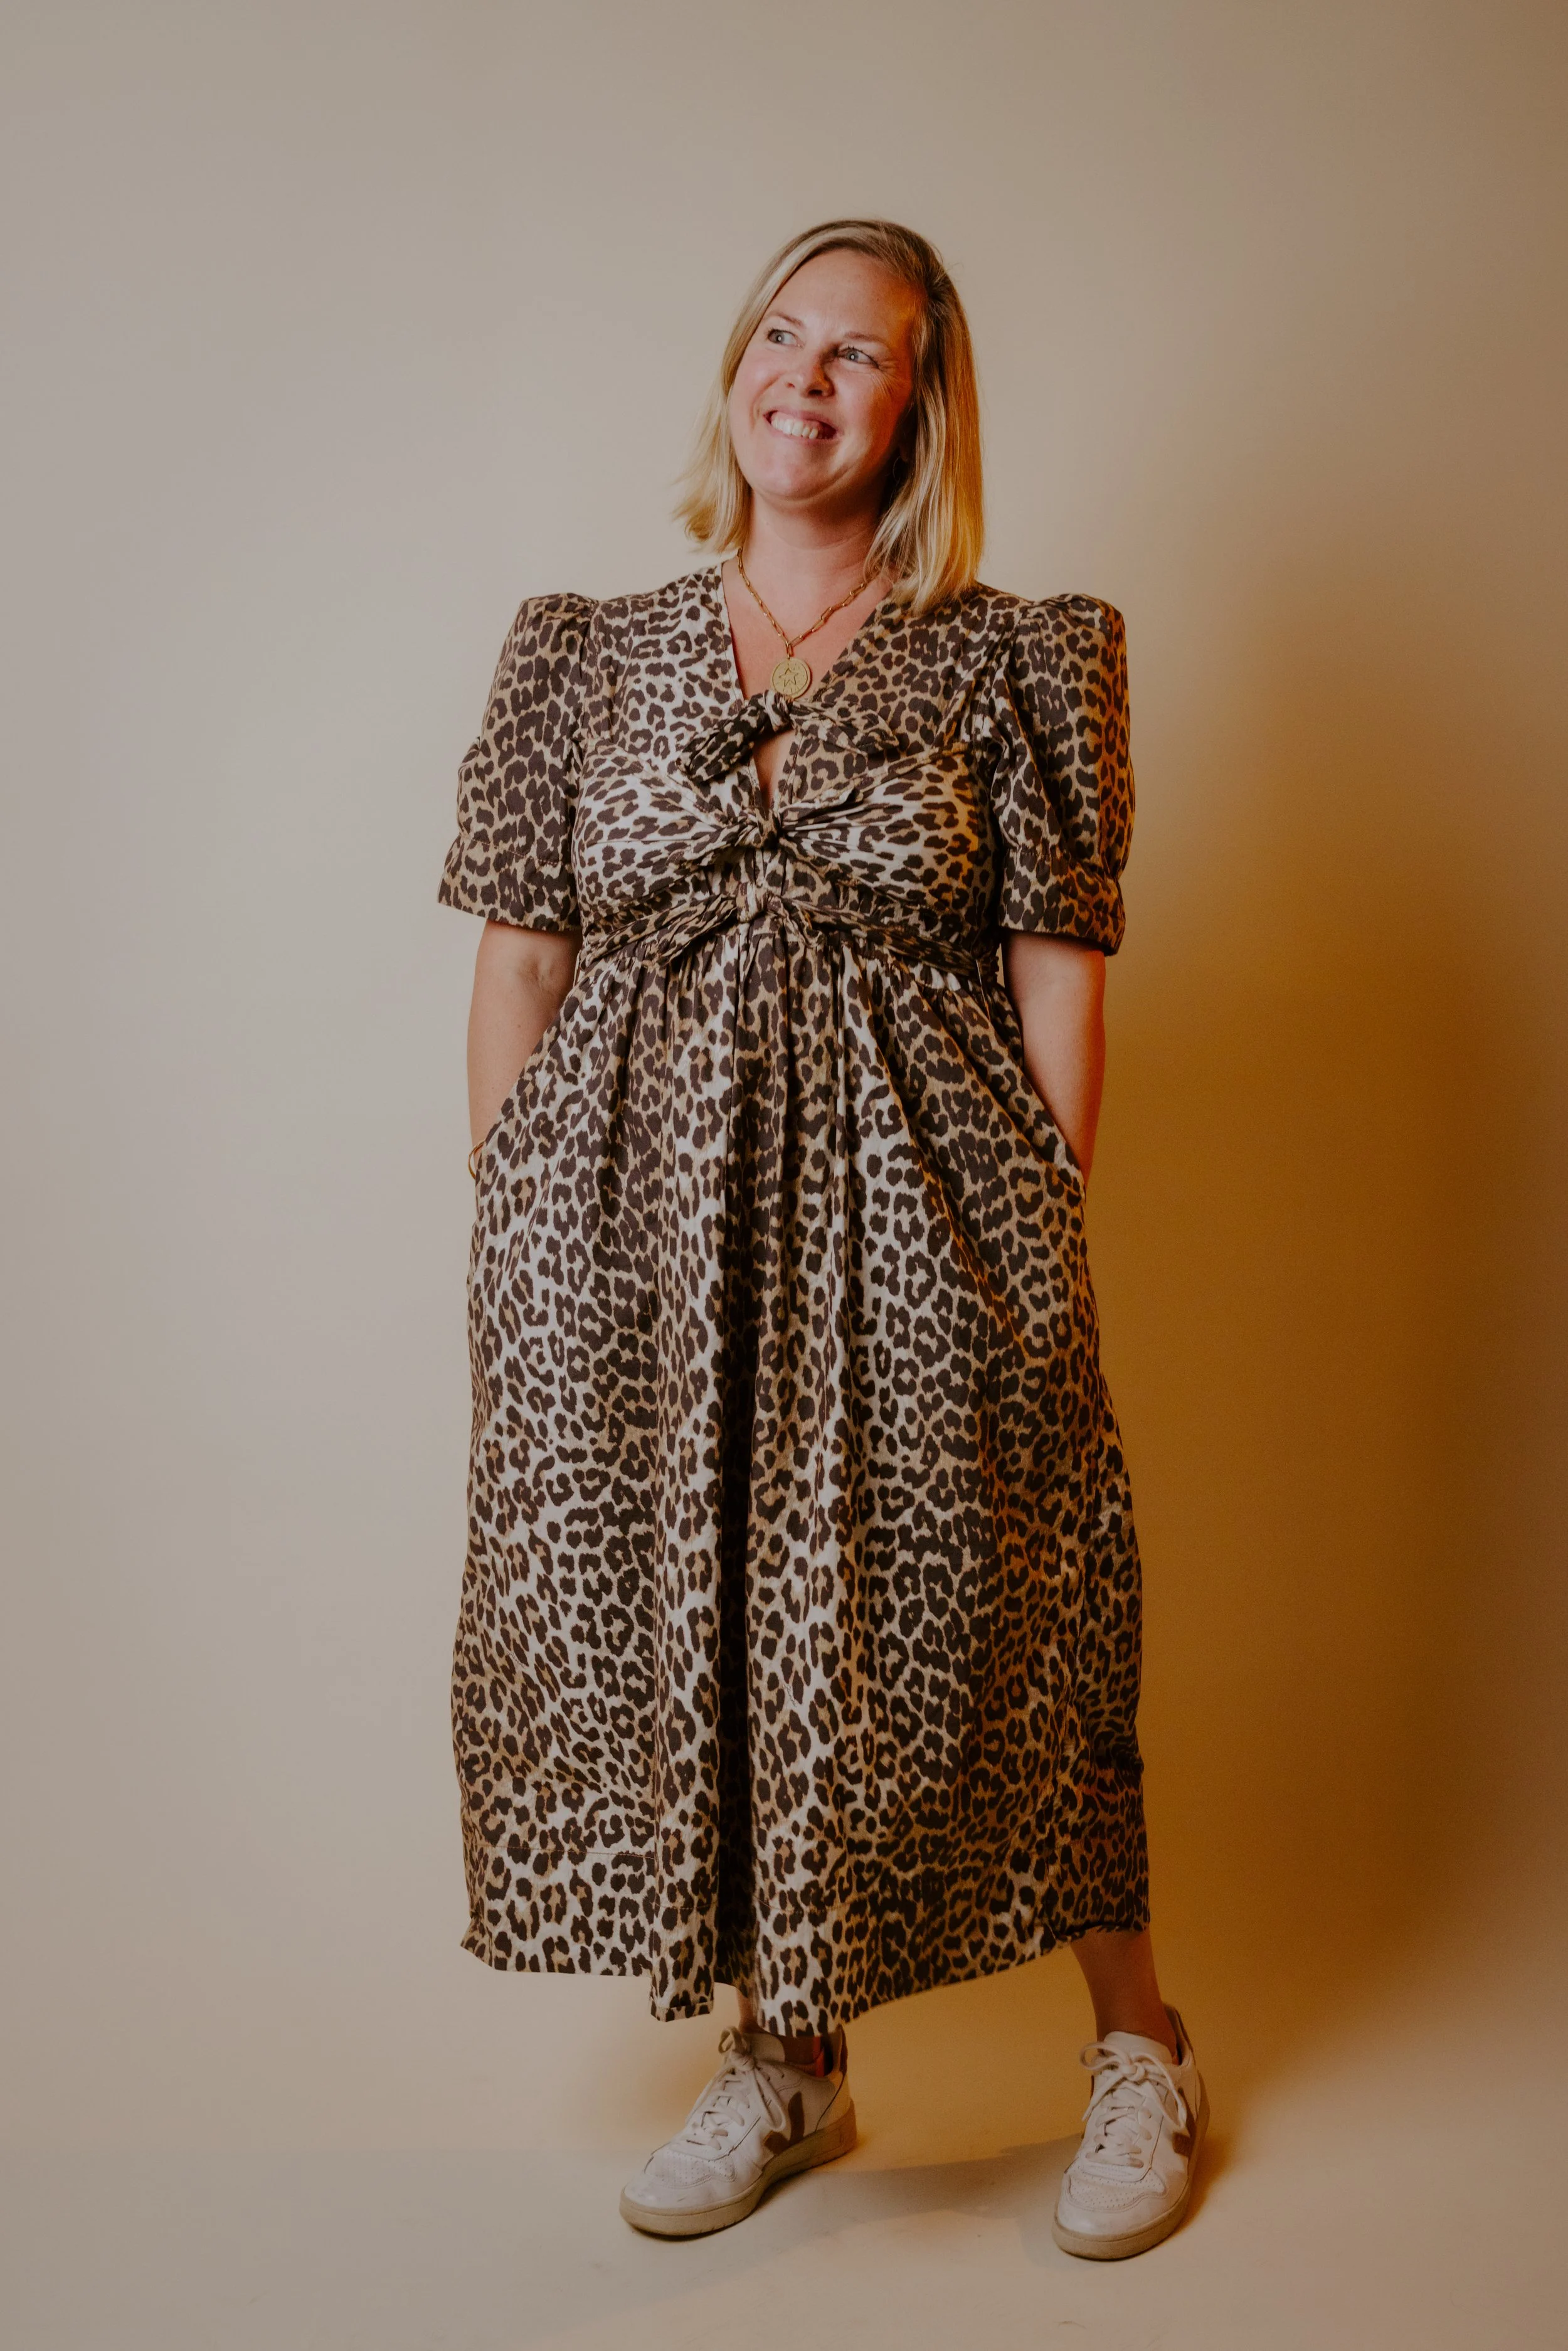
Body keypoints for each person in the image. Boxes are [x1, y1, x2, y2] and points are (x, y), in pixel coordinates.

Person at [439, 218, 1206, 2261]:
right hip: (629, 1239)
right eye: (775, 338)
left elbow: (1059, 970)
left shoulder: (1012, 655)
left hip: (929, 1211)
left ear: (916, 407)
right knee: (712, 1618)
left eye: (853, 356)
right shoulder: (580, 653)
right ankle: (791, 2052)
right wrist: (521, 1223)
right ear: (730, 374)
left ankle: (1137, 2044)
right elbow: (521, 960)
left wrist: (1037, 1227)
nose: (803, 378)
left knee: (1015, 1614)